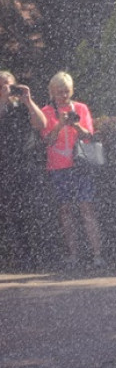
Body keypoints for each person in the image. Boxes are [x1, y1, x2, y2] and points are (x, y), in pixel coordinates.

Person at [39, 71, 105, 268]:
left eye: (66, 92)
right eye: (59, 92)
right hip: (58, 167)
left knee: (87, 209)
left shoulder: (81, 109)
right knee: (65, 211)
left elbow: (89, 136)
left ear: (72, 91)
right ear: (51, 92)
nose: (63, 96)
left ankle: (97, 255)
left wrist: (75, 125)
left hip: (80, 166)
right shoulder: (47, 111)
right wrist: (59, 125)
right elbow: (47, 141)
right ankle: (73, 256)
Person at [0, 71, 47, 269]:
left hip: (24, 165)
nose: (5, 88)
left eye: (8, 85)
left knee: (25, 210)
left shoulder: (22, 107)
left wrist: (28, 101)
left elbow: (41, 124)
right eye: (1, 85)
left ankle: (29, 256)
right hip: (3, 166)